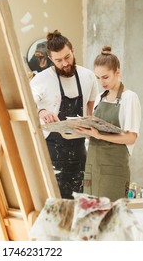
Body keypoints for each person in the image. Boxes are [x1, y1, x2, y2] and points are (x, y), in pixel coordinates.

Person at [30, 30, 98, 199]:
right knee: (55, 202)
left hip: (79, 149)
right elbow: (26, 105)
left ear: (72, 50)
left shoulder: (88, 76)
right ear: (51, 59)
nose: (65, 63)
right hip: (52, 150)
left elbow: (92, 110)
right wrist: (42, 111)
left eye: (67, 57)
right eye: (59, 60)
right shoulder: (41, 81)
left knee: (79, 201)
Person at [76, 45, 141, 202]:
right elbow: (96, 134)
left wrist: (99, 135)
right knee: (90, 217)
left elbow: (131, 138)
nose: (101, 82)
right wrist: (85, 132)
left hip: (114, 171)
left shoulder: (129, 98)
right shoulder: (100, 98)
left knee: (111, 219)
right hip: (92, 167)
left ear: (117, 72)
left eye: (105, 77)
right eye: (98, 78)